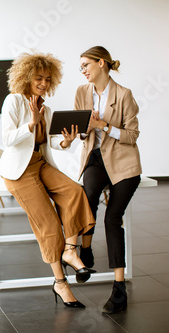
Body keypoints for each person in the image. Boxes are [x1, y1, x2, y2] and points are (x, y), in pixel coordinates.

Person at [0, 52, 96, 308]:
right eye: (39, 78)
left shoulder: (46, 108)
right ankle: (60, 283)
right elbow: (7, 139)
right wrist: (31, 123)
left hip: (40, 163)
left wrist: (66, 141)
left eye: (48, 79)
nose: (43, 83)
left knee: (74, 191)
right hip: (19, 172)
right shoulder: (14, 101)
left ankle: (70, 250)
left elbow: (51, 143)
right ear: (26, 77)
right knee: (49, 224)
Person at [74, 46, 142, 314]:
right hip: (95, 158)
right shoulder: (82, 92)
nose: (83, 71)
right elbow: (82, 132)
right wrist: (76, 133)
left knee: (113, 218)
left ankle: (119, 288)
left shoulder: (124, 95)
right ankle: (86, 251)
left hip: (123, 162)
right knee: (87, 196)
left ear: (101, 63)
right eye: (80, 67)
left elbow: (132, 136)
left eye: (85, 65)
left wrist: (102, 126)